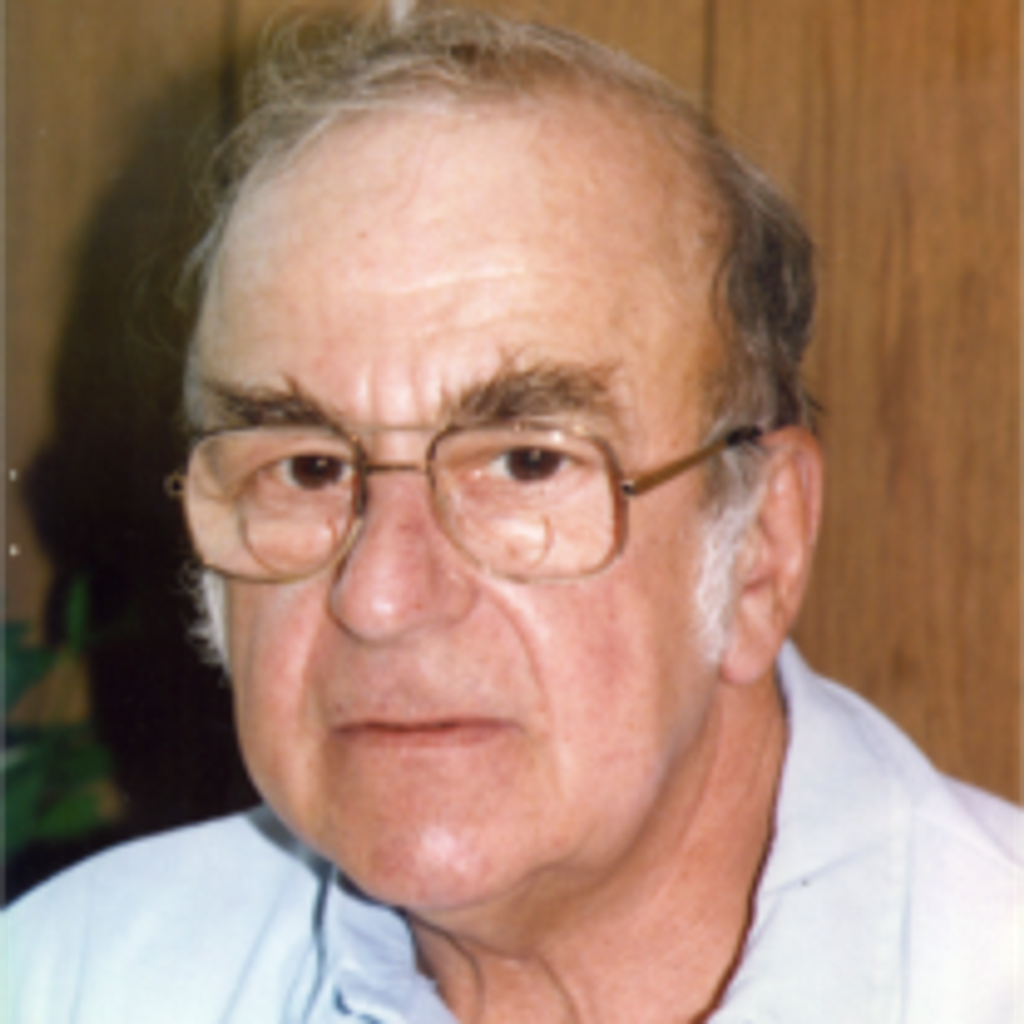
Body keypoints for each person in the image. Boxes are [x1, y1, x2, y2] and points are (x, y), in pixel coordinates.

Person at [3, 7, 1020, 1023]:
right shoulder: (66, 982)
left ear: (760, 545)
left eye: (525, 462)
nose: (382, 598)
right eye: (307, 468)